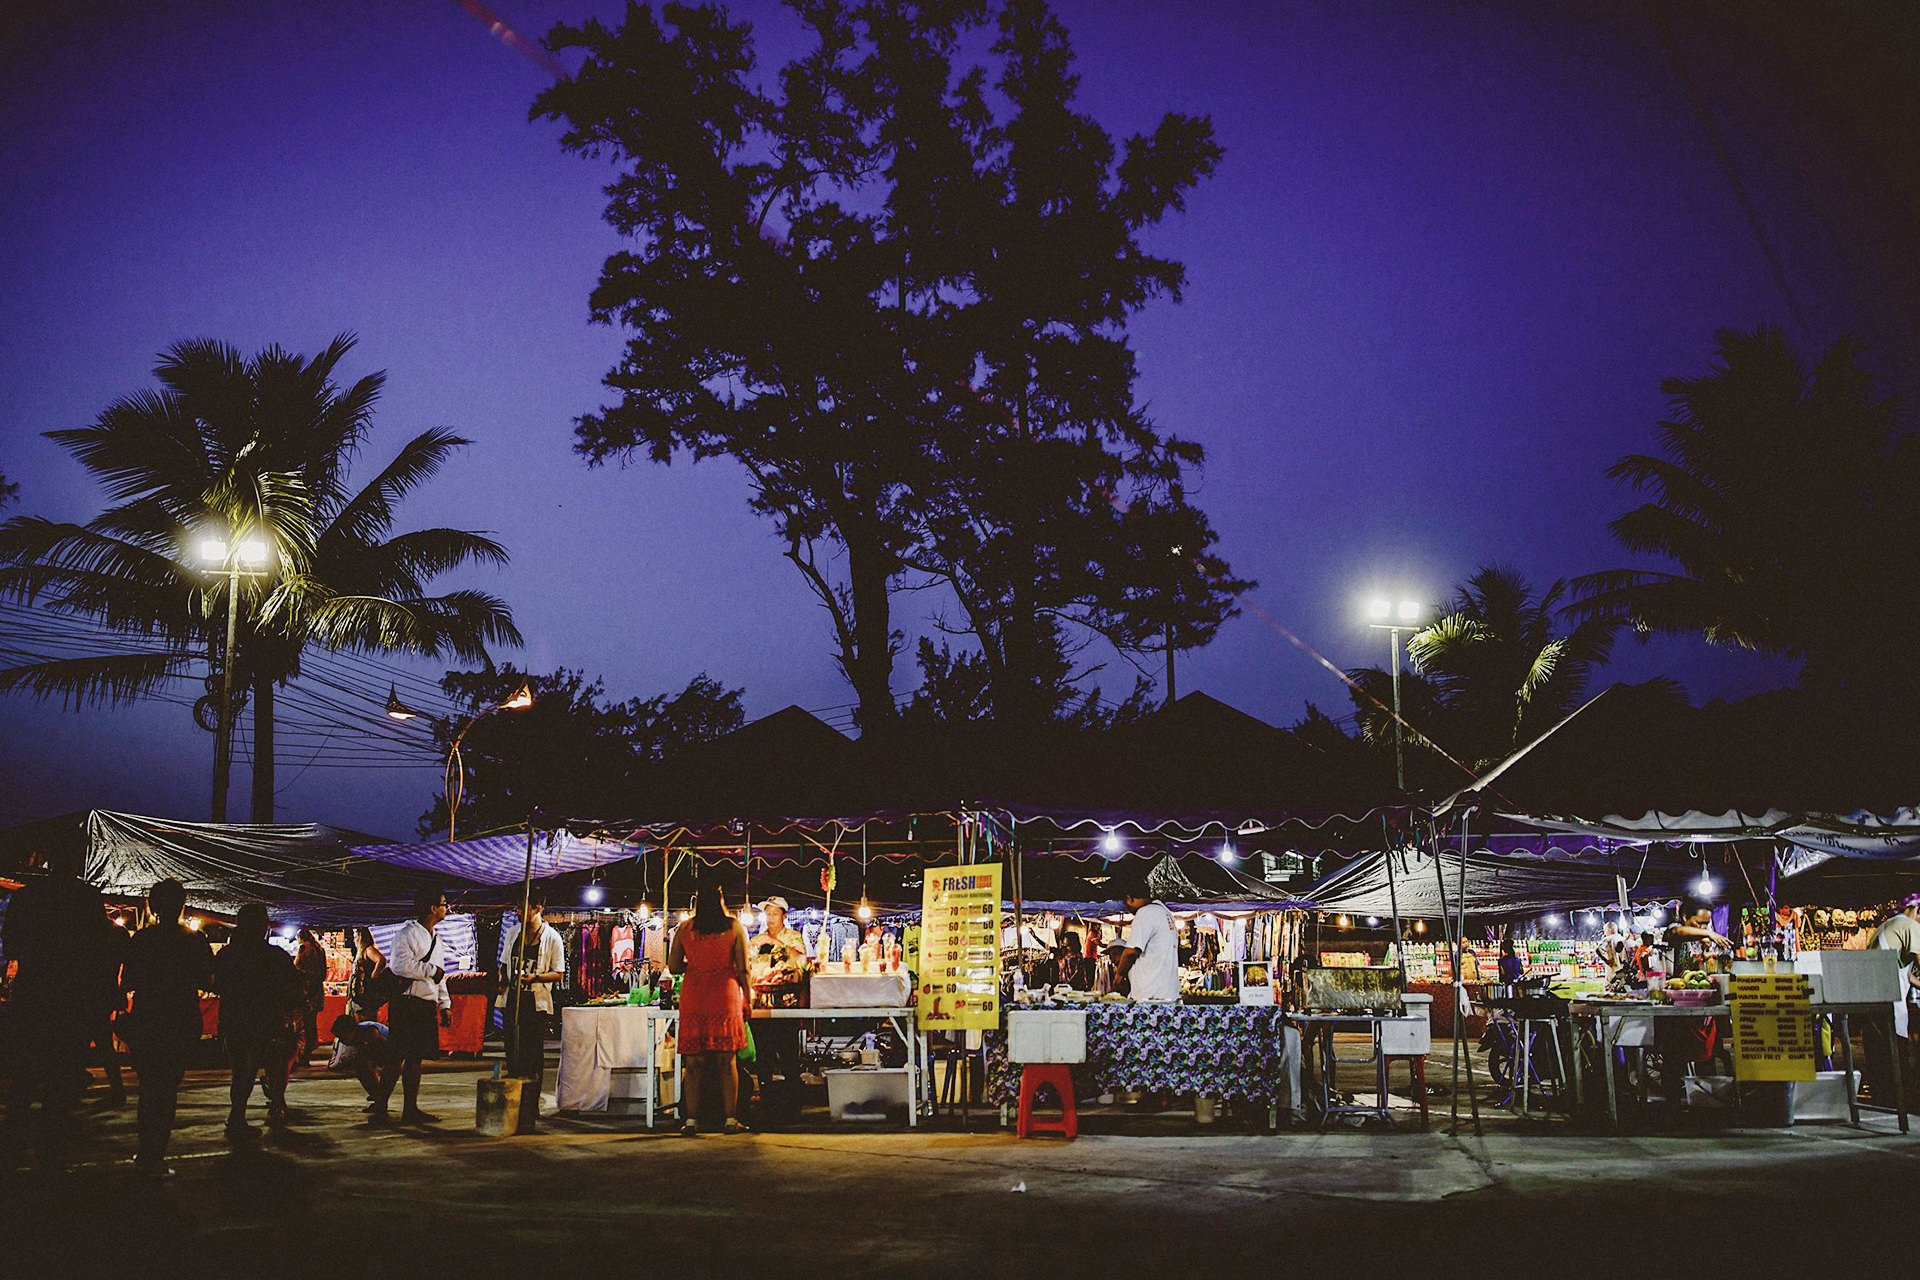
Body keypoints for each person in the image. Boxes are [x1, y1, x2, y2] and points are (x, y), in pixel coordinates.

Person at [0, 847, 110, 1173]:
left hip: (34, 993)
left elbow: (13, 943)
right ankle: (52, 1147)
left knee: (26, 1071)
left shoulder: (28, 897)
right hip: (71, 999)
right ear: (77, 862)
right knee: (62, 1073)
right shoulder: (87, 898)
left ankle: (14, 1143)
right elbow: (98, 948)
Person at [121, 879, 213, 1176]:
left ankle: (147, 1151)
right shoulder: (194, 941)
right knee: (169, 1087)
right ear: (182, 905)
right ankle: (157, 1152)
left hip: (148, 1017)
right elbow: (206, 980)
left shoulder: (142, 940)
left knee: (149, 1086)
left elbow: (129, 982)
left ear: (152, 906)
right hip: (181, 1017)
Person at [213, 904, 302, 1139]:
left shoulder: (227, 955)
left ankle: (238, 1115)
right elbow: (293, 988)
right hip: (266, 1018)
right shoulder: (275, 956)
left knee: (242, 1071)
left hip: (236, 1019)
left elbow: (216, 985)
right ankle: (275, 1106)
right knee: (274, 1066)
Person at [668, 884, 749, 1136]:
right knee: (727, 1060)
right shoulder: (734, 927)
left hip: (694, 995)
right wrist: (747, 997)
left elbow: (674, 967)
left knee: (694, 1062)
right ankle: (731, 1119)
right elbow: (743, 967)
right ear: (721, 900)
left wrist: (697, 963)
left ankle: (691, 1120)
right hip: (724, 995)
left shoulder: (685, 928)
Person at [377, 888, 452, 1125]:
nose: (446, 908)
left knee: (415, 1059)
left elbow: (439, 976)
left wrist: (444, 1004)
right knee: (396, 1057)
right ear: (432, 908)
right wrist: (431, 971)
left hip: (425, 1005)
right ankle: (380, 1108)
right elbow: (401, 966)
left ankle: (410, 1109)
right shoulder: (407, 934)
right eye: (443, 904)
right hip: (406, 1004)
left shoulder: (435, 938)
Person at [1654, 899, 1732, 1111]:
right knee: (1674, 1061)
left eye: (1707, 924)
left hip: (1703, 1008)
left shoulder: (1703, 940)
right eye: (1699, 923)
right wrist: (1707, 934)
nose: (1703, 928)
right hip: (1677, 1009)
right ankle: (1672, 1110)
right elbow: (1677, 932)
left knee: (1708, 1057)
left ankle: (1706, 1104)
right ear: (1686, 917)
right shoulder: (1675, 931)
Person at [747, 896, 807, 1126]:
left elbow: (801, 961)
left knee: (789, 1055)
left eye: (774, 913)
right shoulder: (756, 940)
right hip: (761, 1004)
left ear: (784, 915)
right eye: (767, 914)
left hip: (787, 1004)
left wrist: (777, 944)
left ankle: (792, 1105)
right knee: (764, 1056)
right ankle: (767, 1103)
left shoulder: (793, 937)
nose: (770, 918)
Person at [497, 892, 565, 1080]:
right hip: (512, 999)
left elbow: (558, 972)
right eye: (517, 908)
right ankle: (514, 1092)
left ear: (537, 909)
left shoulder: (552, 938)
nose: (518, 912)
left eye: (522, 907)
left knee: (532, 1051)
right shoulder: (513, 933)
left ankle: (530, 1101)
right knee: (512, 1048)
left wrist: (535, 978)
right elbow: (504, 964)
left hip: (535, 1003)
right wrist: (502, 980)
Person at [1114, 877, 1179, 1002]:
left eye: (1125, 903)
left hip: (1150, 996)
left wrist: (1119, 975)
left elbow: (1131, 951)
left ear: (1129, 898)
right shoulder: (1164, 912)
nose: (1127, 907)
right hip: (1167, 993)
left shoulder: (1145, 913)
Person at [327, 1015, 397, 1108]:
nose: (342, 1041)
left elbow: (387, 1049)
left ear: (351, 1031)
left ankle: (380, 1099)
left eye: (343, 1037)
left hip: (391, 1049)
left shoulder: (370, 1032)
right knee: (362, 1068)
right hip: (381, 1049)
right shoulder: (354, 1035)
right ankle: (378, 1098)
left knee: (365, 1066)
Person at [293, 927, 328, 1068]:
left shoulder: (304, 948)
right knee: (311, 1023)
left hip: (307, 991)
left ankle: (303, 1055)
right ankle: (309, 1051)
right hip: (317, 990)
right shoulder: (319, 949)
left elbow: (297, 967)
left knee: (304, 1024)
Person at [345, 927, 388, 1021]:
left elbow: (381, 960)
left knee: (365, 1021)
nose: (354, 940)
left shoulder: (368, 950)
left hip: (365, 996)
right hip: (358, 996)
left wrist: (374, 974)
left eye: (355, 937)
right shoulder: (360, 952)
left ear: (361, 937)